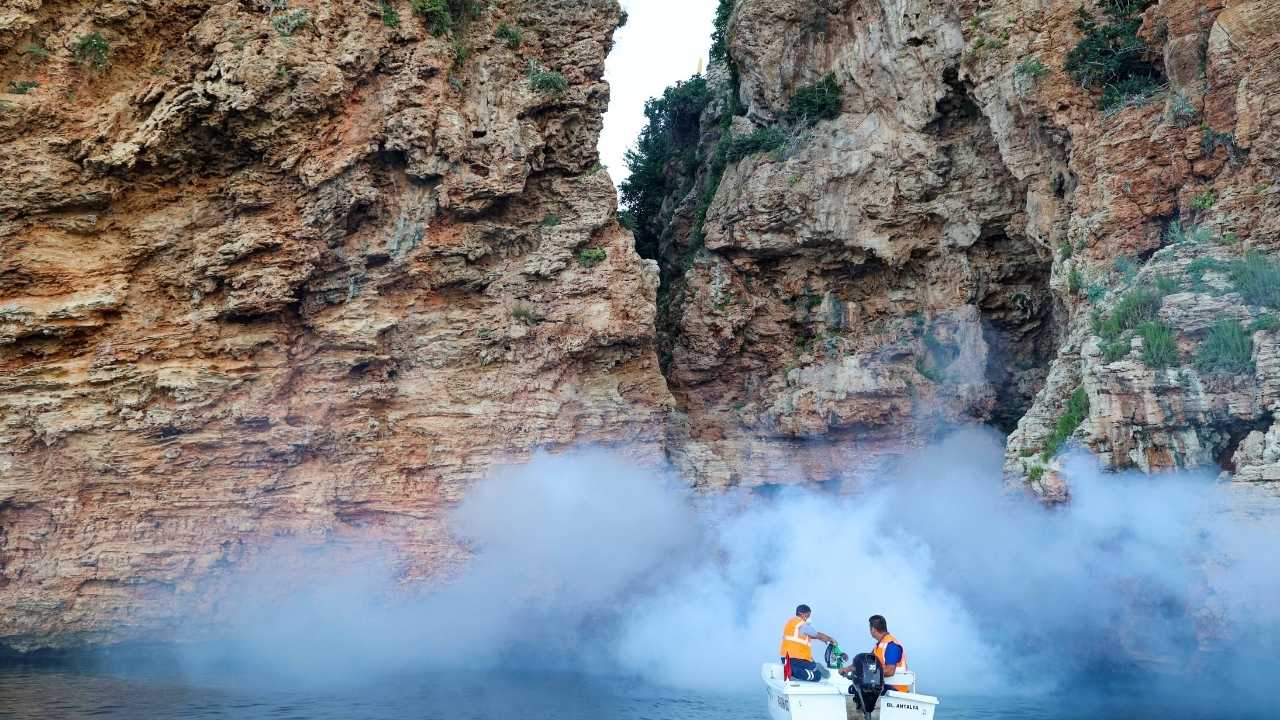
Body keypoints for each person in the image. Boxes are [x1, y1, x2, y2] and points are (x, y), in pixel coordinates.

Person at [779, 604, 837, 681]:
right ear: (801, 613)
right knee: (816, 676)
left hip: (786, 658)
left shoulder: (791, 623)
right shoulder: (801, 624)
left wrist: (823, 639)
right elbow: (816, 634)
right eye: (808, 615)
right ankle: (815, 668)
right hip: (797, 659)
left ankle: (805, 669)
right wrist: (830, 639)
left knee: (794, 670)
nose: (808, 618)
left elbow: (810, 635)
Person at [866, 614, 909, 692]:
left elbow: (890, 671)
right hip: (884, 685)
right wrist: (849, 669)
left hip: (896, 689)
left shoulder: (892, 645)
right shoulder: (878, 646)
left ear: (873, 629)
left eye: (870, 627)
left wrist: (868, 674)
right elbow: (865, 662)